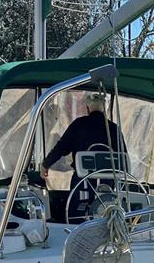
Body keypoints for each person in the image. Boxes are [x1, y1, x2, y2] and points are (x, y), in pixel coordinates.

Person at [40, 91, 128, 223]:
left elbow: (61, 148)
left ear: (87, 108)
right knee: (106, 210)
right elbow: (123, 159)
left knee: (76, 214)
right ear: (105, 109)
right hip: (108, 183)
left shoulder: (78, 125)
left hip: (82, 183)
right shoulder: (114, 128)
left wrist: (45, 164)